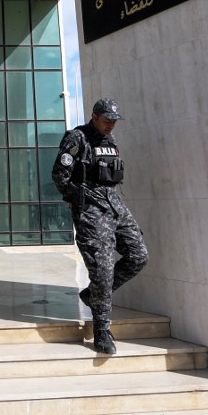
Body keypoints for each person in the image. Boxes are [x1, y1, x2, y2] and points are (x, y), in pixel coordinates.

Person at [51, 97, 148, 355]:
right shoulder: (76, 138)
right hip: (91, 210)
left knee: (138, 256)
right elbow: (59, 174)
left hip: (114, 204)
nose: (110, 126)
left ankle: (93, 293)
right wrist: (74, 198)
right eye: (106, 121)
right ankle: (102, 329)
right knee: (103, 270)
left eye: (114, 122)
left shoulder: (110, 141)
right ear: (94, 116)